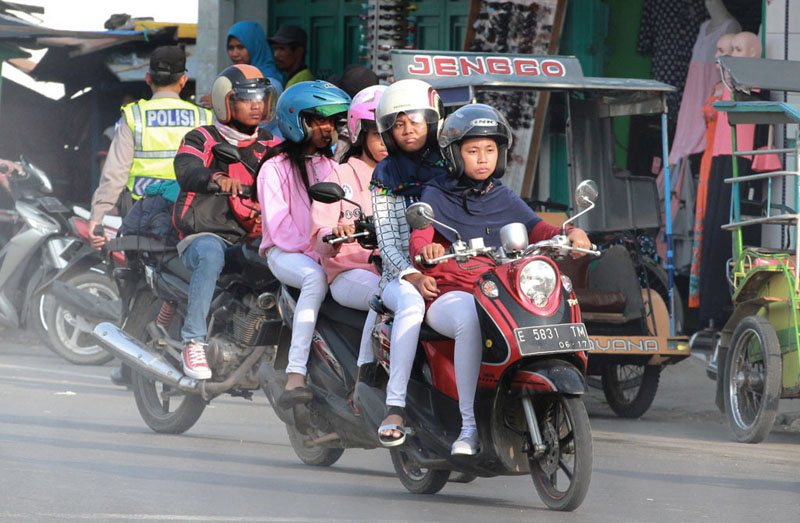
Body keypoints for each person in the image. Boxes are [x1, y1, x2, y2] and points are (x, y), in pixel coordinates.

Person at [410, 103, 591, 455]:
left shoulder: (503, 196)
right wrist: (427, 249)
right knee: (468, 321)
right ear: (454, 154)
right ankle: (467, 427)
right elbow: (420, 236)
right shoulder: (436, 195)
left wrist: (572, 233)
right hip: (451, 292)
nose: (483, 159)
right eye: (473, 150)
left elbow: (540, 228)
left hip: (495, 290)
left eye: (490, 150)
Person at [171, 64, 278, 379]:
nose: (256, 105)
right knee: (211, 254)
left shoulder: (270, 143)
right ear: (225, 102)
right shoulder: (202, 136)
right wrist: (216, 178)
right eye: (246, 98)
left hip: (252, 235)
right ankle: (193, 341)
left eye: (261, 97)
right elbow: (186, 168)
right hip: (206, 232)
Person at [257, 80, 351, 407]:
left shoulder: (332, 167)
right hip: (284, 253)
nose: (328, 129)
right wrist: (319, 253)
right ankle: (295, 373)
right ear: (296, 120)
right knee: (314, 277)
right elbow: (280, 227)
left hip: (322, 251)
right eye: (319, 120)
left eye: (332, 122)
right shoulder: (274, 168)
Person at [368, 78, 448, 446]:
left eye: (414, 120)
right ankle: (395, 406)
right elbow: (387, 240)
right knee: (412, 307)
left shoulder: (452, 165)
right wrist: (412, 274)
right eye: (397, 124)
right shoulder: (385, 175)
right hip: (399, 277)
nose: (407, 130)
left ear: (432, 121)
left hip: (450, 270)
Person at [88, 46, 213, 249]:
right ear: (183, 80)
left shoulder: (134, 116)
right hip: (189, 213)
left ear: (148, 78)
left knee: (136, 276)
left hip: (140, 213)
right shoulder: (203, 117)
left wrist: (98, 214)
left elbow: (116, 171)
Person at [309, 85, 387, 392]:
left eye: (390, 134)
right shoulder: (340, 176)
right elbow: (319, 235)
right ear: (360, 134)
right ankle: (364, 379)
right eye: (378, 135)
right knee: (387, 298)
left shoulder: (405, 179)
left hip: (395, 269)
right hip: (350, 272)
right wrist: (336, 235)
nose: (386, 143)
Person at [268, 25, 315, 89]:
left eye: (282, 49)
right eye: (275, 49)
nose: (276, 55)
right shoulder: (295, 78)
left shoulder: (301, 82)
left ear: (298, 52)